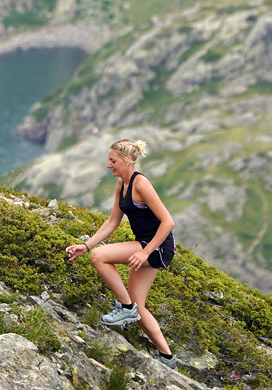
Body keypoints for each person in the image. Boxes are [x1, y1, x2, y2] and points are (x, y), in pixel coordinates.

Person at [65, 139, 178, 370]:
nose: (108, 165)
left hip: (156, 247)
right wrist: (85, 246)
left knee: (100, 256)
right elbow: (112, 222)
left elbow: (168, 222)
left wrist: (145, 252)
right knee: (139, 304)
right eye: (109, 160)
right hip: (146, 245)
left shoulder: (141, 184)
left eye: (113, 160)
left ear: (128, 161)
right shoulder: (122, 184)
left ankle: (125, 309)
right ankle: (167, 358)